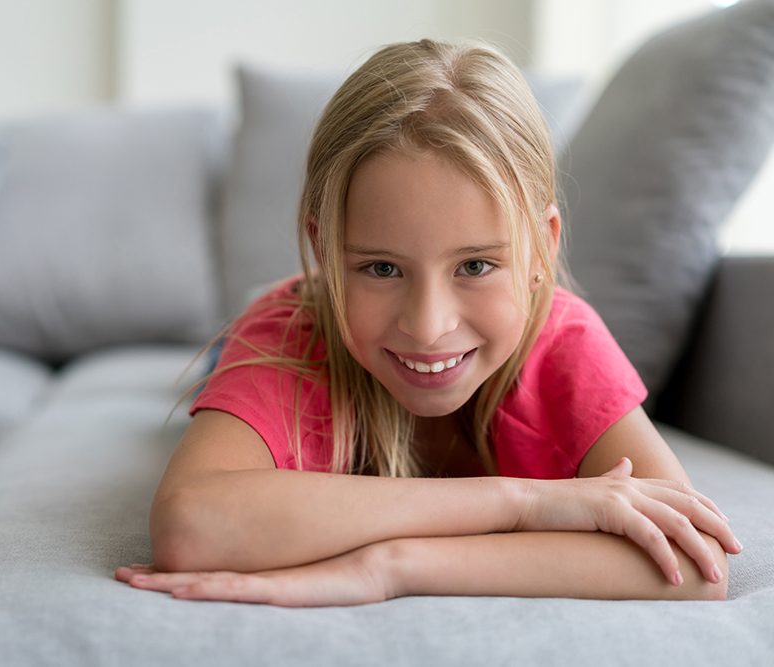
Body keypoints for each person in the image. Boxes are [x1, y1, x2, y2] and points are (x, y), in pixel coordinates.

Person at [114, 38, 742, 606]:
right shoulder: (291, 335)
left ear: (542, 250)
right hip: (284, 323)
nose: (427, 325)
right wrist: (522, 501)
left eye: (474, 264)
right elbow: (192, 525)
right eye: (382, 268)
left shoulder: (564, 342)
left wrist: (398, 565)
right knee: (243, 343)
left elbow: (690, 561)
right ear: (326, 251)